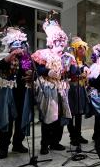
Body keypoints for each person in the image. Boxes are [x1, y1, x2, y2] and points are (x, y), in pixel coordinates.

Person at [31, 11, 73, 155]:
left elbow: (71, 71)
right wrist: (48, 72)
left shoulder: (67, 57)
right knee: (49, 116)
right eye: (58, 41)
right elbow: (36, 66)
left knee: (60, 116)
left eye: (62, 41)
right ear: (52, 41)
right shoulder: (44, 53)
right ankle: (44, 144)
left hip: (62, 87)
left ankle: (55, 142)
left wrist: (74, 69)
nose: (61, 44)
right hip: (48, 87)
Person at [0, 27, 32, 159]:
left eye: (20, 43)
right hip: (7, 93)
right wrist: (12, 55)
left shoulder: (24, 58)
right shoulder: (4, 57)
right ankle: (3, 147)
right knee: (6, 120)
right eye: (15, 43)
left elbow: (27, 71)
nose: (19, 46)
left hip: (22, 92)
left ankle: (18, 143)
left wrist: (29, 75)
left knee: (20, 120)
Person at [67, 37, 90, 146]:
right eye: (80, 48)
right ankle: (73, 136)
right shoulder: (70, 59)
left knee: (79, 113)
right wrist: (81, 71)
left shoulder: (82, 61)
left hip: (80, 88)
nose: (83, 50)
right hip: (72, 89)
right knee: (72, 113)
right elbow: (72, 72)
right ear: (75, 49)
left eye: (84, 48)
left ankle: (78, 135)